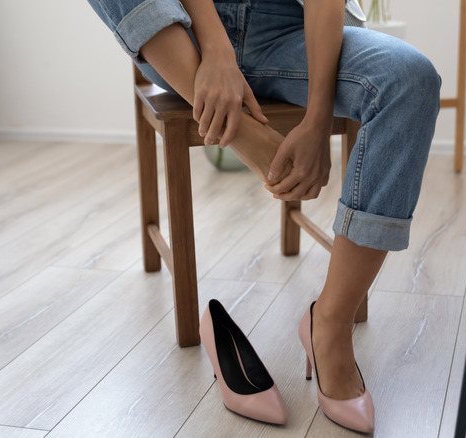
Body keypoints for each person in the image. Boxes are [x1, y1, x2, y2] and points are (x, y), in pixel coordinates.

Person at [87, 0, 440, 432]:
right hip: (179, 34)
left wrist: (317, 117)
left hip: (290, 32)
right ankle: (246, 136)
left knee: (411, 79)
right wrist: (217, 50)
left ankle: (329, 324)